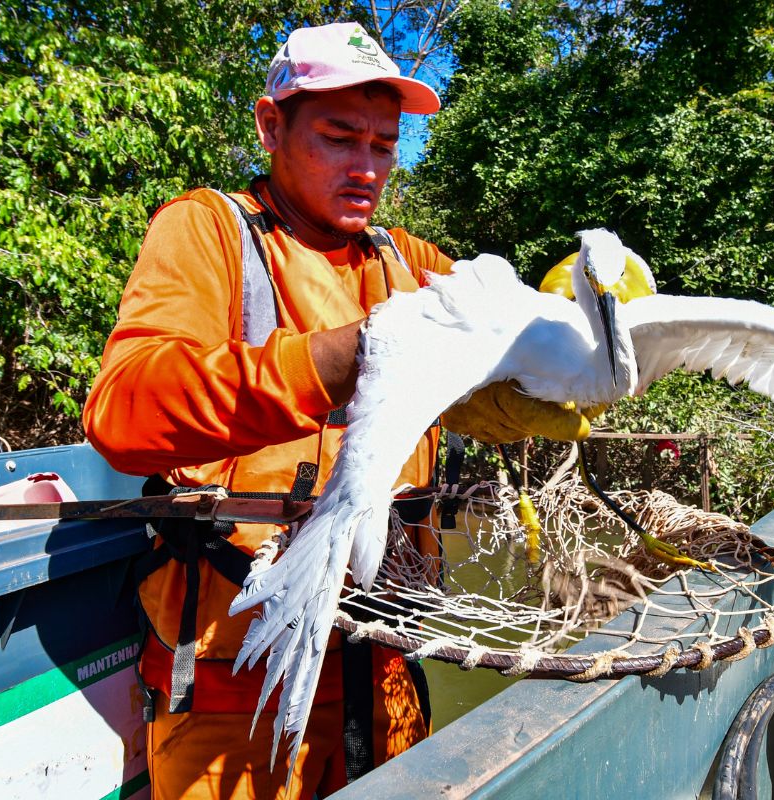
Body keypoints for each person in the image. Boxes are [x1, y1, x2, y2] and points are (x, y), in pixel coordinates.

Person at [83, 21, 596, 800]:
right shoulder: (207, 230)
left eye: (384, 146)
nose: (366, 168)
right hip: (233, 696)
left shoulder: (409, 263)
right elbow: (125, 410)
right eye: (338, 136)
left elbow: (508, 336)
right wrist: (351, 356)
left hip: (387, 669)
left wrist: (561, 355)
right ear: (269, 124)